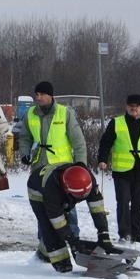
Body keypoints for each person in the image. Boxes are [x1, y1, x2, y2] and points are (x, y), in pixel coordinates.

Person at [12, 81, 87, 244]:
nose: (38, 97)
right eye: (36, 94)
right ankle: (45, 240)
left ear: (50, 95)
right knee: (42, 206)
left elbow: (78, 141)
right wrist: (24, 154)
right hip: (40, 167)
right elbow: (24, 137)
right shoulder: (31, 113)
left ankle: (73, 237)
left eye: (42, 94)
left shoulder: (64, 113)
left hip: (63, 169)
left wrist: (81, 165)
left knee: (68, 206)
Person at [98, 93, 140, 243]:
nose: (133, 108)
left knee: (139, 204)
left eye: (137, 106)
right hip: (122, 171)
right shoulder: (116, 123)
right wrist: (102, 159)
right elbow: (105, 143)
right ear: (126, 107)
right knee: (123, 202)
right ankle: (125, 234)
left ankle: (137, 234)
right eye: (131, 106)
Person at [28, 162, 115, 273]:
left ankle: (43, 252)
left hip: (62, 189)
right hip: (37, 190)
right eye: (79, 197)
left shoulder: (88, 179)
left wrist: (103, 234)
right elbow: (57, 221)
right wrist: (72, 240)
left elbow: (97, 208)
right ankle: (62, 265)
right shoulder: (52, 192)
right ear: (67, 190)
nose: (82, 199)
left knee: (65, 223)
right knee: (50, 228)